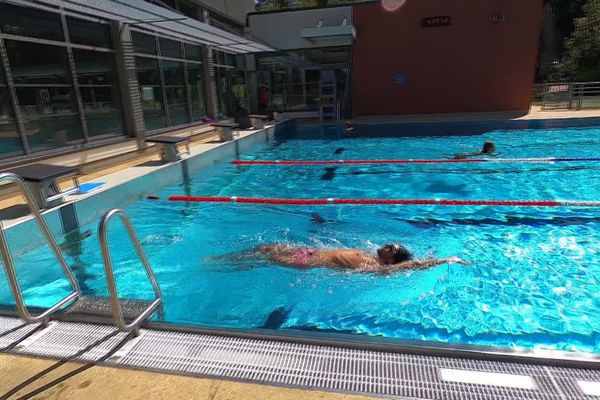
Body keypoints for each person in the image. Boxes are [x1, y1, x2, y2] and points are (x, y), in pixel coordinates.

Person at [255, 243, 470, 273]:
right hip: (307, 251)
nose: (388, 245)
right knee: (261, 248)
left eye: (392, 249)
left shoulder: (377, 267)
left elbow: (414, 264)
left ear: (392, 260)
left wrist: (447, 259)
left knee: (255, 260)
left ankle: (221, 264)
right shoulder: (369, 254)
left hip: (306, 262)